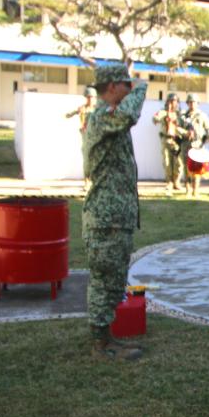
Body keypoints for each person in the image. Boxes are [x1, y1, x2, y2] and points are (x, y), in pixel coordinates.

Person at [82, 64, 147, 361]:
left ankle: (106, 337)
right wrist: (142, 86)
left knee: (114, 279)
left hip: (116, 217)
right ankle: (100, 344)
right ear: (111, 87)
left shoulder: (109, 118)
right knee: (104, 280)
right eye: (126, 84)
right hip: (105, 217)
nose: (130, 88)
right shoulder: (102, 117)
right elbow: (128, 115)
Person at [180, 93, 209, 197]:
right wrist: (185, 133)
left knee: (198, 168)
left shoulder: (202, 115)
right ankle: (188, 189)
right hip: (186, 144)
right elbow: (177, 128)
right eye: (190, 102)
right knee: (187, 168)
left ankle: (196, 189)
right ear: (187, 103)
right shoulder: (182, 116)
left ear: (198, 103)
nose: (192, 104)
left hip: (198, 145)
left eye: (194, 102)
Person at [152, 92, 185, 194]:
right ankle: (169, 182)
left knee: (178, 163)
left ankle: (176, 181)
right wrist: (165, 115)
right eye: (171, 101)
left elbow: (186, 124)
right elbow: (155, 118)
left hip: (177, 140)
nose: (173, 103)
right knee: (167, 162)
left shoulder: (180, 114)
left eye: (174, 101)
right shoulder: (163, 112)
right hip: (166, 139)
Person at [66, 86, 97, 191]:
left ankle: (96, 182)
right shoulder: (83, 109)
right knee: (87, 161)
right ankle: (87, 182)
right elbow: (68, 115)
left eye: (92, 97)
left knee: (97, 161)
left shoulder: (98, 109)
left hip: (97, 139)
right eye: (88, 97)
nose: (90, 99)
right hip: (86, 139)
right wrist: (76, 112)